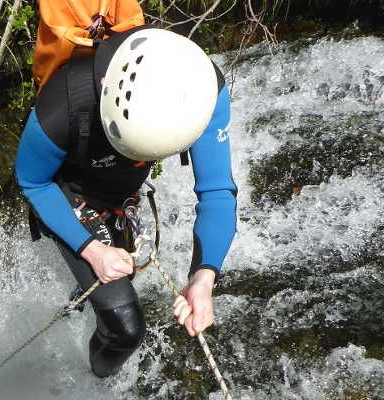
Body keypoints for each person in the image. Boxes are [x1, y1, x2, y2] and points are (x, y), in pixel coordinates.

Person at [14, 26, 237, 378]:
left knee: (117, 280)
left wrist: (203, 278)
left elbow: (217, 191)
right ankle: (91, 385)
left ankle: (82, 299)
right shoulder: (64, 103)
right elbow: (33, 181)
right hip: (69, 189)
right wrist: (91, 250)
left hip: (120, 191)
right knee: (125, 329)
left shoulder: (202, 89)